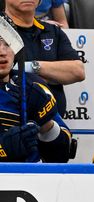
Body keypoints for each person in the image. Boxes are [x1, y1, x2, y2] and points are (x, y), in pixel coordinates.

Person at [0, 13, 72, 162]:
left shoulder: (33, 87)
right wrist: (3, 150)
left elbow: (62, 155)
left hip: (32, 180)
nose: (2, 52)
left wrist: (47, 127)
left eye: (8, 44)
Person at [5, 0, 84, 116]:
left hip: (54, 125)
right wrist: (54, 75)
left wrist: (32, 67)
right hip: (10, 123)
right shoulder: (2, 31)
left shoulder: (53, 31)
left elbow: (78, 71)